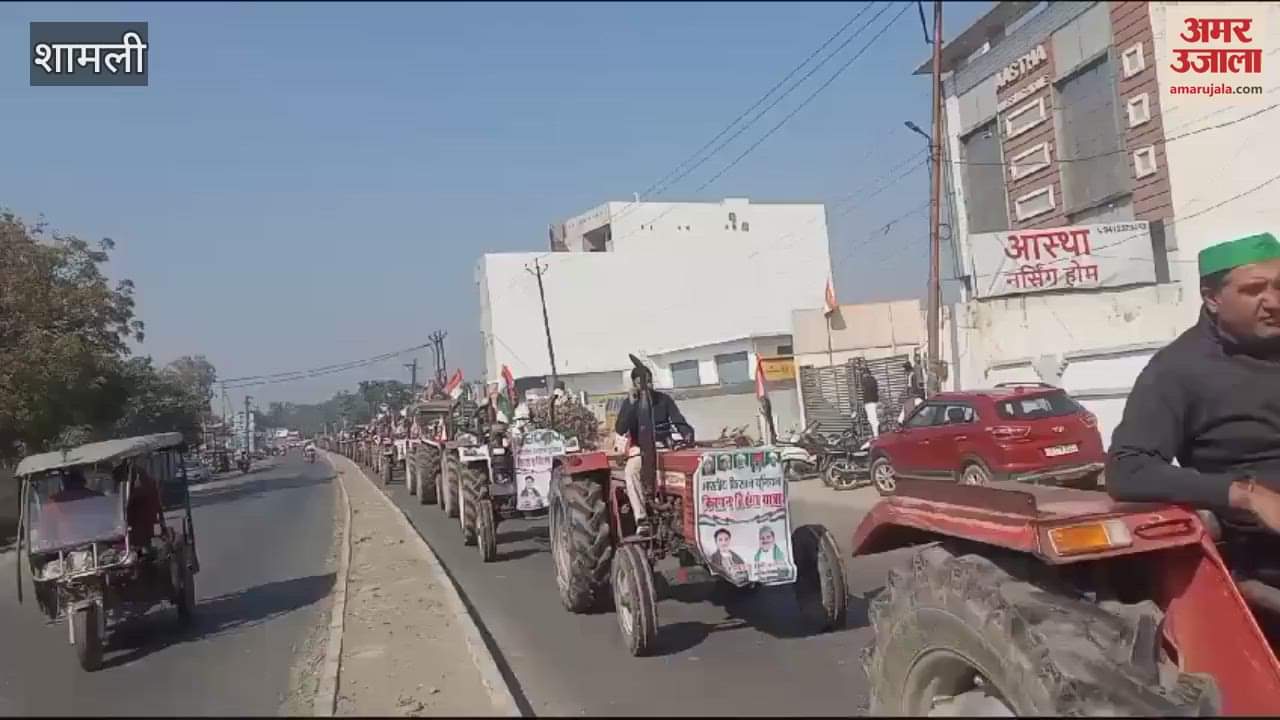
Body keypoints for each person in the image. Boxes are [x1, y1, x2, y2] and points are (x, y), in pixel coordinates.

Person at [1107, 232, 1280, 532]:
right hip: (1260, 555)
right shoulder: (1178, 369)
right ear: (1213, 299)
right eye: (1253, 290)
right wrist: (1244, 494)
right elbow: (1128, 468)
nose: (1275, 302)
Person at [615, 367, 695, 536]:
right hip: (641, 448)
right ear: (635, 384)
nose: (647, 386)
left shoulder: (664, 400)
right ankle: (641, 519)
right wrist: (631, 404)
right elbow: (621, 428)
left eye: (649, 381)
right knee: (631, 471)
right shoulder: (631, 403)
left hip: (663, 445)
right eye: (642, 383)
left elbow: (679, 421)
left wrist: (687, 435)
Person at [860, 366, 881, 438]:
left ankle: (876, 436)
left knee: (872, 419)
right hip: (875, 401)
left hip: (868, 402)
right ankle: (877, 434)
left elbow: (863, 388)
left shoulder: (864, 380)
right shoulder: (873, 379)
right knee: (875, 418)